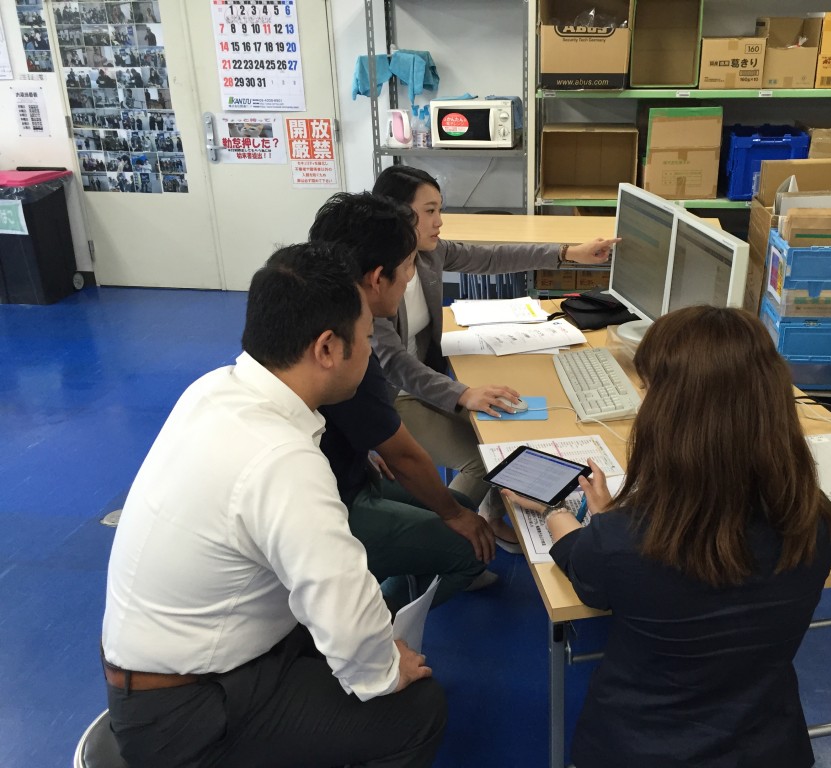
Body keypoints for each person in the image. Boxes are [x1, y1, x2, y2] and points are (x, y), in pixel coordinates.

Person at [101, 242, 445, 768]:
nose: (370, 350)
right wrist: (384, 669)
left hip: (166, 673)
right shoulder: (282, 459)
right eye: (365, 338)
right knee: (417, 709)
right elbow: (343, 606)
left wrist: (368, 649)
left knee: (351, 643)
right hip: (185, 716)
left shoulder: (215, 389)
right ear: (327, 348)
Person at [504, 306, 831, 768]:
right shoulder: (813, 519)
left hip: (641, 750)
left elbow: (583, 566)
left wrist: (554, 509)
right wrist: (610, 520)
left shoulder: (626, 539)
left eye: (647, 390)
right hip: (767, 747)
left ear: (671, 416)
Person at [371, 165, 618, 551]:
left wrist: (568, 253)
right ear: (398, 215)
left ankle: (488, 514)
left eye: (440, 209)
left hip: (427, 381)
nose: (440, 221)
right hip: (394, 397)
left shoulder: (427, 254)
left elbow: (491, 257)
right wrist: (462, 393)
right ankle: (449, 545)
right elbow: (395, 365)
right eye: (430, 211)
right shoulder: (376, 279)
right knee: (482, 458)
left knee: (511, 427)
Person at [309, 191, 495, 609]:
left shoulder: (318, 311)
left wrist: (362, 448)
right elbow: (406, 457)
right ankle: (382, 625)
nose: (412, 277)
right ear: (378, 278)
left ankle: (408, 569)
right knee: (469, 541)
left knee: (462, 503)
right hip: (331, 506)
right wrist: (454, 517)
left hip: (346, 473)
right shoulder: (350, 351)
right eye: (409, 266)